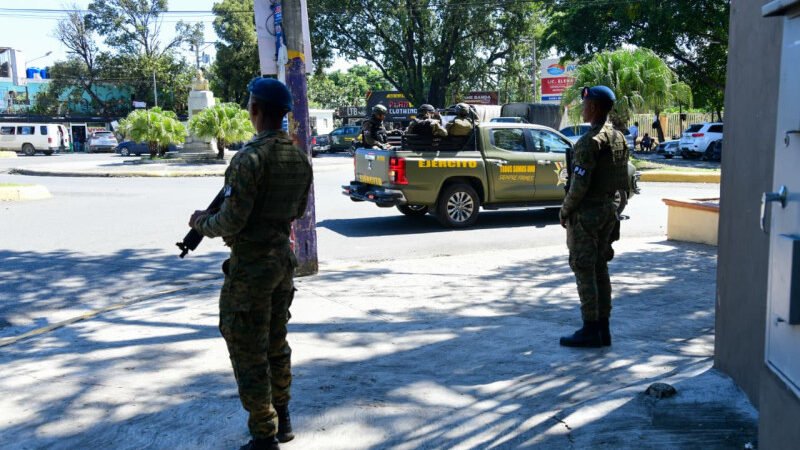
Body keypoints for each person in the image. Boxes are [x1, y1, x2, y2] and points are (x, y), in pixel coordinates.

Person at [189, 77, 313, 450]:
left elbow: (231, 220)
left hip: (252, 268)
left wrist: (200, 223)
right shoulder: (299, 158)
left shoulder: (249, 158)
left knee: (247, 347)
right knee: (277, 343)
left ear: (254, 110)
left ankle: (264, 435)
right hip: (282, 264)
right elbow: (297, 210)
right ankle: (283, 418)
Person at [559, 85, 630, 348]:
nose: (584, 109)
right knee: (600, 269)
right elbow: (623, 182)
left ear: (596, 107)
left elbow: (579, 185)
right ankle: (603, 329)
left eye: (587, 104)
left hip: (587, 214)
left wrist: (565, 210)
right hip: (608, 211)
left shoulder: (590, 141)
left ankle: (590, 329)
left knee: (584, 268)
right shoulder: (618, 137)